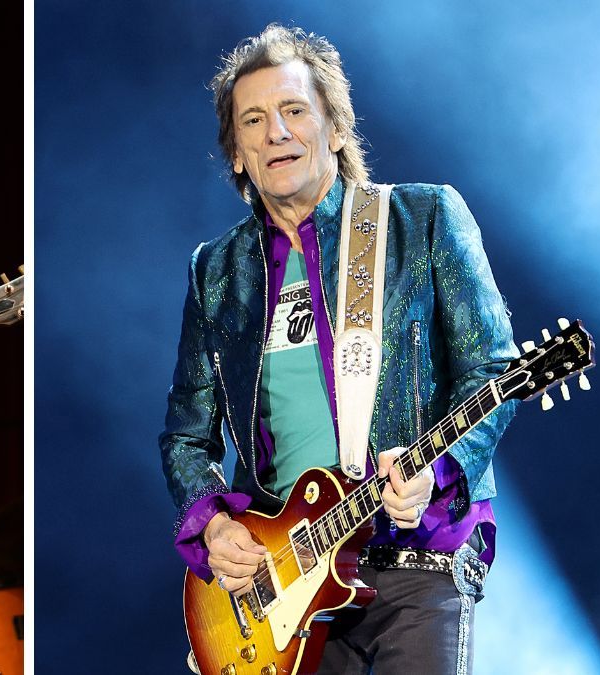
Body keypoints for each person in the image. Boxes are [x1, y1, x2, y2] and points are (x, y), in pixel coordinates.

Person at [160, 24, 517, 673]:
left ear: (337, 127)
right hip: (284, 590)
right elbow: (186, 436)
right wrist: (213, 525)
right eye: (254, 119)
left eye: (295, 110)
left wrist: (434, 471)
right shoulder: (216, 271)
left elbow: (492, 368)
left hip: (415, 554)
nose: (277, 132)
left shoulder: (423, 218)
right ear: (236, 152)